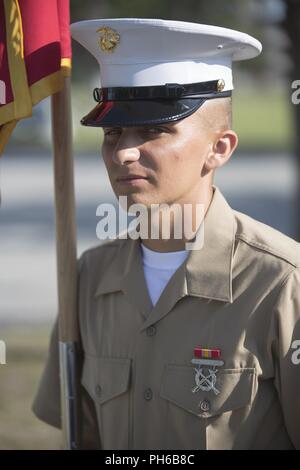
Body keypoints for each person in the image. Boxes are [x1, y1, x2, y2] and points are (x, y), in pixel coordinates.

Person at [32, 18, 300, 450]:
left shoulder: (282, 282)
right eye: (113, 131)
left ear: (219, 148)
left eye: (154, 130)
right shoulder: (88, 277)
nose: (122, 151)